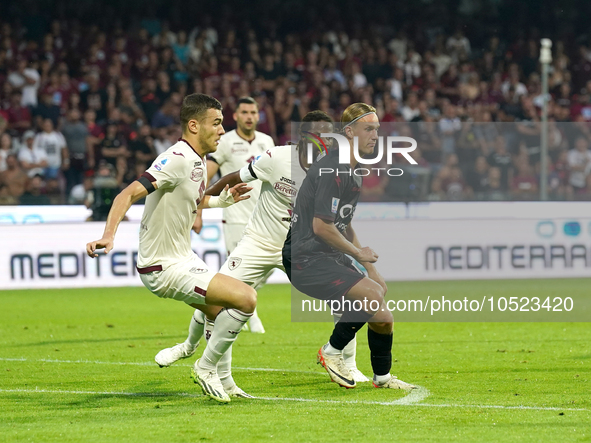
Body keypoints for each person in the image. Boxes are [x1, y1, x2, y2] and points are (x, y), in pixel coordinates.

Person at [154, 110, 375, 386]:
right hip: (259, 242)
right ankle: (189, 347)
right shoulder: (278, 157)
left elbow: (338, 220)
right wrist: (198, 205)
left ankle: (347, 363)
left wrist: (356, 255)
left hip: (303, 248)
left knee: (347, 295)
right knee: (218, 297)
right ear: (305, 136)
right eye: (322, 134)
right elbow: (234, 178)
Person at [86, 93, 256, 403]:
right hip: (162, 266)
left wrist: (222, 201)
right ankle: (203, 365)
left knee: (220, 313)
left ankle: (218, 374)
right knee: (246, 299)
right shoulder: (176, 158)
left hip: (181, 257)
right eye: (216, 123)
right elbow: (126, 194)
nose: (221, 130)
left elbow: (193, 199)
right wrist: (108, 235)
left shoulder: (197, 159)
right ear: (194, 125)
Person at [285, 103, 416, 390]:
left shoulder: (352, 170)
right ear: (349, 132)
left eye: (377, 129)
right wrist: (357, 254)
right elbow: (321, 227)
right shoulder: (333, 167)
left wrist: (370, 267)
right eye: (368, 129)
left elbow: (342, 224)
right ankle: (331, 352)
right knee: (371, 294)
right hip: (304, 257)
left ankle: (382, 378)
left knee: (382, 315)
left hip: (324, 253)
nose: (375, 135)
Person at [194, 96, 275, 333]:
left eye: (253, 112)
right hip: (235, 215)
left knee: (266, 267)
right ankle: (251, 315)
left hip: (264, 218)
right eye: (244, 112)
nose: (249, 116)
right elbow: (206, 175)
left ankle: (231, 305)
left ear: (258, 116)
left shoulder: (267, 141)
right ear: (236, 116)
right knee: (237, 268)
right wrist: (197, 210)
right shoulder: (226, 141)